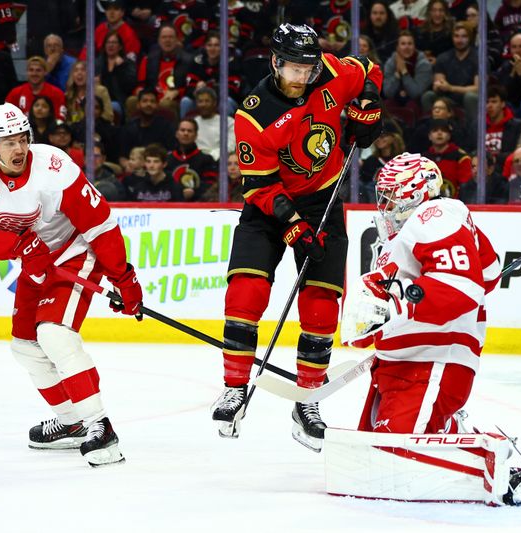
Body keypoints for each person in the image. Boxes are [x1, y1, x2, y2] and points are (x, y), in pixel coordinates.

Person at [210, 23, 383, 451]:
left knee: (322, 304)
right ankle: (234, 386)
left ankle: (308, 400)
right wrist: (293, 228)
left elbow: (368, 70)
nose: (302, 78)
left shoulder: (329, 70)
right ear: (274, 62)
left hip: (321, 203)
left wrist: (369, 106)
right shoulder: (254, 113)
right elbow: (261, 187)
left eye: (307, 69)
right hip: (269, 209)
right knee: (246, 294)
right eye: (293, 69)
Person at [0, 103, 143, 467]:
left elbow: (100, 225)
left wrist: (124, 279)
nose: (18, 149)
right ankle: (70, 423)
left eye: (22, 138)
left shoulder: (54, 167)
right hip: (34, 260)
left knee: (54, 334)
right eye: (7, 142)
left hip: (73, 251)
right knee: (25, 347)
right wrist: (19, 245)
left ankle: (100, 427)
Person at [340, 152, 500, 437]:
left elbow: (462, 285)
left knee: (393, 458)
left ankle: (484, 455)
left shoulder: (435, 215)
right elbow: (489, 271)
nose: (384, 204)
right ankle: (453, 430)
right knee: (370, 454)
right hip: (402, 365)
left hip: (429, 363)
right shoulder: (403, 236)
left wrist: (395, 307)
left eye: (392, 195)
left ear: (416, 194)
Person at [5, 56, 67, 121]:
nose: (34, 74)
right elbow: (6, 117)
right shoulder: (15, 93)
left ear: (45, 72)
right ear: (27, 72)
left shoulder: (56, 93)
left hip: (50, 130)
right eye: (31, 70)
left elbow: (60, 119)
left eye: (38, 70)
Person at [422, 119, 472, 199]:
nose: (439, 133)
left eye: (444, 130)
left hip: (455, 206)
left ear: (449, 136)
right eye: (435, 130)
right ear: (429, 136)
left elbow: (466, 188)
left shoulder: (461, 158)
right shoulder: (423, 160)